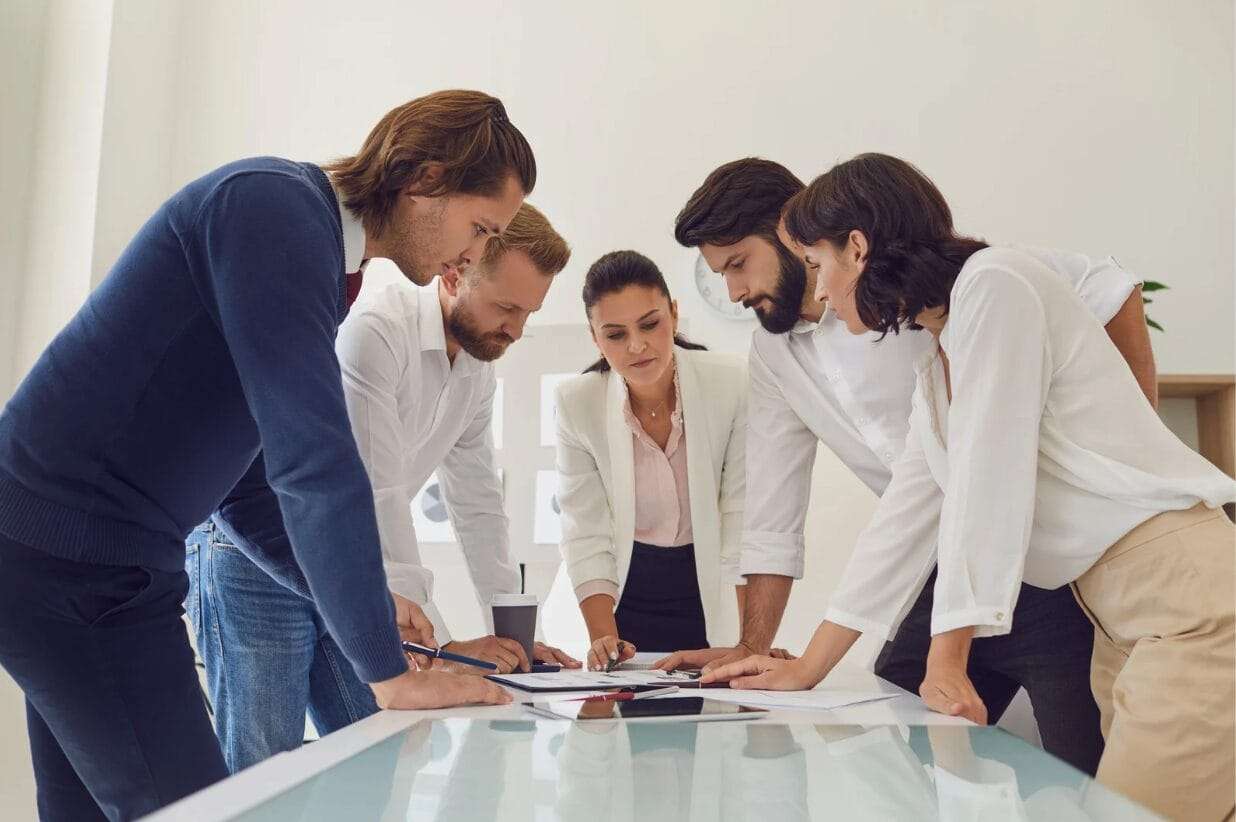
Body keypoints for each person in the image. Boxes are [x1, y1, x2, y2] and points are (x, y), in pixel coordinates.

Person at [0, 89, 525, 820]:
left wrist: (370, 610)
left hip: (80, 560)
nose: (474, 255)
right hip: (77, 566)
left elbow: (249, 488)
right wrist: (386, 671)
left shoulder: (310, 249)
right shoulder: (273, 211)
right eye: (481, 227)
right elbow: (314, 461)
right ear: (426, 179)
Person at [703, 153, 1236, 822]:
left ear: (858, 249)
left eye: (818, 265)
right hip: (1119, 618)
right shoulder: (940, 355)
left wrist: (948, 657)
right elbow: (910, 511)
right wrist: (809, 664)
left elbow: (990, 482)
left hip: (1184, 605)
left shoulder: (994, 285)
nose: (823, 294)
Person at [187, 203, 580, 773]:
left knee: (381, 750)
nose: (516, 331)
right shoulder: (376, 331)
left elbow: (478, 506)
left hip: (345, 562)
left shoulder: (477, 370)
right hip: (256, 551)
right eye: (506, 308)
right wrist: (434, 648)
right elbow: (379, 492)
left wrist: (512, 638)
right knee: (264, 766)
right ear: (455, 274)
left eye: (529, 313)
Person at [547, 251, 754, 671]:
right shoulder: (576, 403)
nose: (637, 346)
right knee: (616, 704)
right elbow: (585, 532)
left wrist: (749, 642)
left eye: (649, 324)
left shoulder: (730, 382)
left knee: (715, 706)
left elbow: (741, 517)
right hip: (615, 595)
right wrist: (603, 640)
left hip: (706, 588)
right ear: (595, 338)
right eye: (615, 334)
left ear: (673, 314)